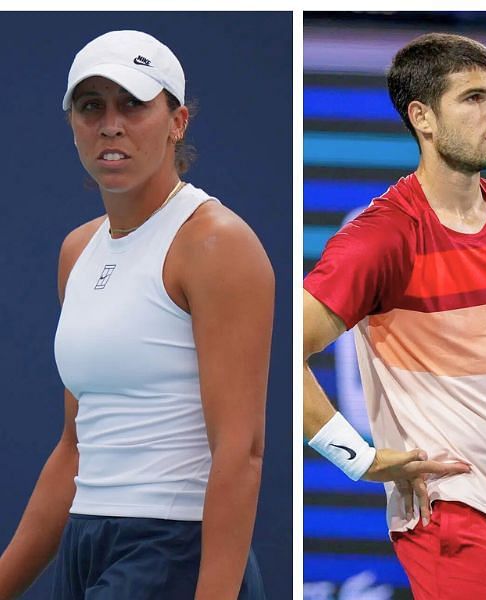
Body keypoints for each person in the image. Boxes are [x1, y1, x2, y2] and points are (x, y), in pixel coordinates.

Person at [302, 32, 486, 600]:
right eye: (474, 98)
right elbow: (280, 350)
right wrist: (358, 460)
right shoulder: (383, 235)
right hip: (450, 520)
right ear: (423, 118)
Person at [0, 30, 272, 599]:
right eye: (91, 106)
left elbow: (240, 451)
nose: (110, 124)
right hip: (85, 545)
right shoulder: (77, 250)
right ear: (73, 122)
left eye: (133, 104)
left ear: (178, 121)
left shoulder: (215, 243)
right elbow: (76, 446)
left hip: (177, 551)